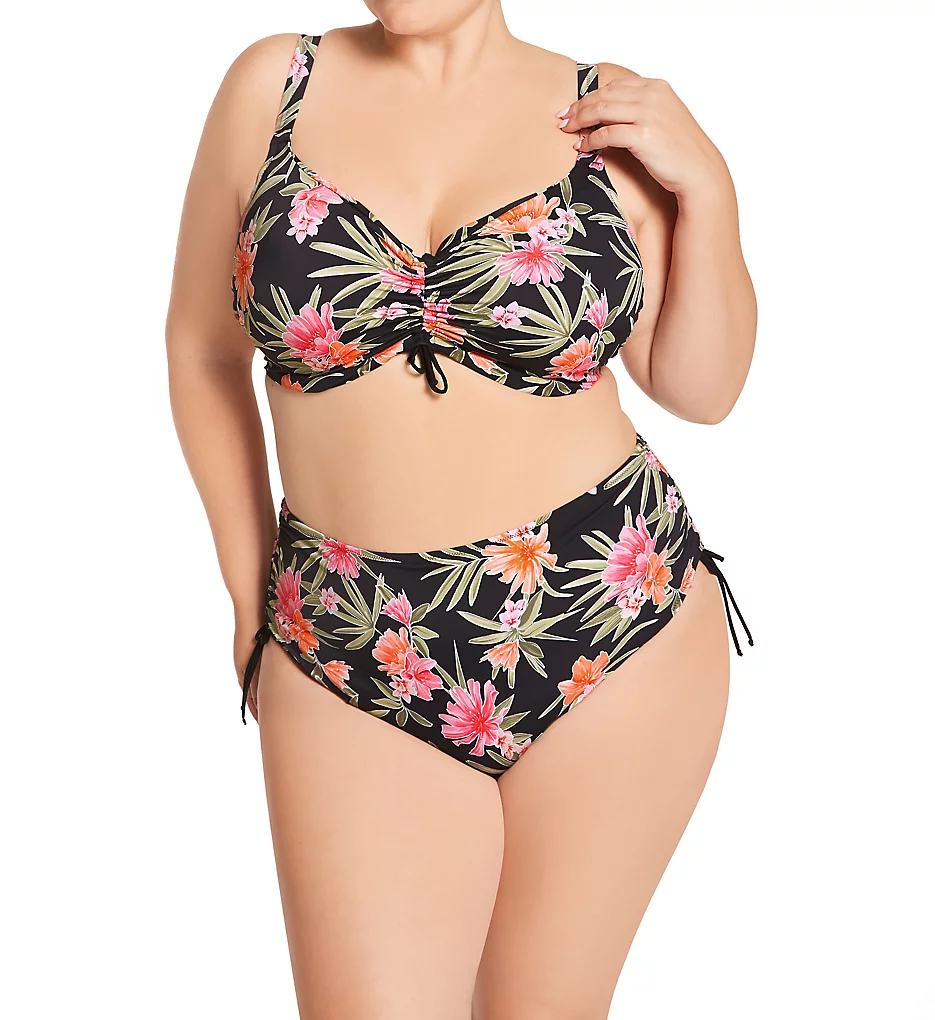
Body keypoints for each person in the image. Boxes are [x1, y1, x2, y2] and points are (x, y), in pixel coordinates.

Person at [166, 4, 756, 1017]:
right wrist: (247, 589)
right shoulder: (274, 87)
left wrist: (708, 186)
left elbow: (699, 387)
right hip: (349, 632)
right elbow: (202, 351)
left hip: (607, 619)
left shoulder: (598, 111)